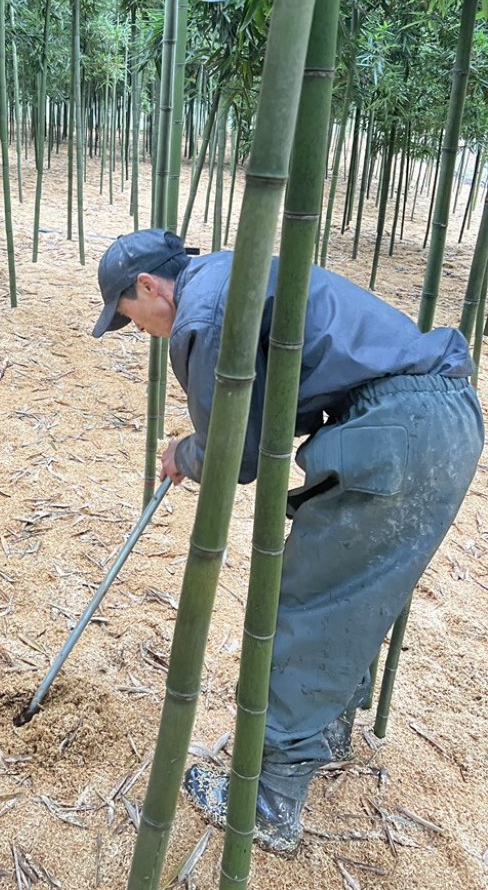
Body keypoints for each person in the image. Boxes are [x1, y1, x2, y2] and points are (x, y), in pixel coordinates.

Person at [92, 227, 484, 854]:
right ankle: (324, 735)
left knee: (306, 610)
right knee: (354, 598)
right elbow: (278, 408)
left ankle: (270, 799)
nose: (135, 328)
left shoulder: (206, 308)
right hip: (440, 420)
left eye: (127, 316)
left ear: (147, 287)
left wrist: (186, 452)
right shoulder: (229, 275)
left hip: (396, 433)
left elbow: (235, 452)